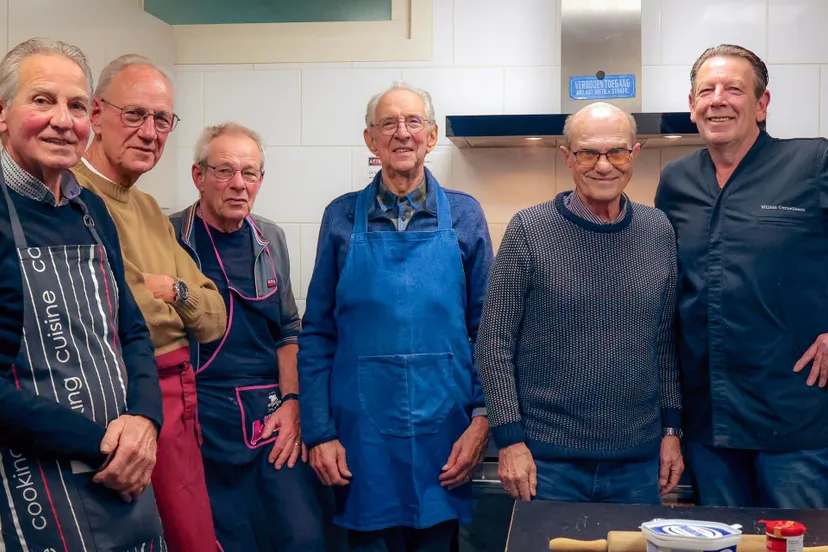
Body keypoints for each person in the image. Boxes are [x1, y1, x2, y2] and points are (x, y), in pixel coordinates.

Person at [298, 82, 493, 551]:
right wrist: (319, 431)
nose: (402, 133)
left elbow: (487, 329)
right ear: (371, 139)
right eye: (389, 123)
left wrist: (483, 419)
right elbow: (318, 333)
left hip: (445, 436)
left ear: (431, 136)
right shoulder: (341, 217)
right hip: (360, 441)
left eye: (413, 122)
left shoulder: (465, 215)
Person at [0, 37, 166, 549]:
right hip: (35, 482)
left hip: (125, 479)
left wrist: (145, 420)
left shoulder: (90, 212)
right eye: (41, 100)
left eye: (75, 105)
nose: (63, 120)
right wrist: (102, 445)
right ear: (2, 114)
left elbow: (132, 330)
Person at [476, 102, 683, 505]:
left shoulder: (659, 231)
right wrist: (510, 440)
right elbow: (493, 345)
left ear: (634, 155)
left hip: (638, 468)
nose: (603, 166)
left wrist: (671, 432)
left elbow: (665, 344)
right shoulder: (528, 230)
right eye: (588, 152)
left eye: (616, 152)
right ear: (567, 157)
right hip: (547, 466)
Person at [655, 44, 828, 509]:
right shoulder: (676, 182)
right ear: (692, 106)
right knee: (724, 543)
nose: (718, 99)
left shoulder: (812, 163)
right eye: (706, 90)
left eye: (734, 89)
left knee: (801, 542)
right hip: (708, 422)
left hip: (794, 416)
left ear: (762, 104)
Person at [70, 54, 226, 549]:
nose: (151, 132)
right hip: (125, 400)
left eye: (162, 120)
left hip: (178, 403)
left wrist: (176, 291)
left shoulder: (146, 207)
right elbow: (127, 309)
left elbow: (214, 316)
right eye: (134, 114)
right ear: (96, 114)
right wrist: (175, 300)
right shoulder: (70, 194)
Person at [170, 122, 337, 551]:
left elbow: (288, 331)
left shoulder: (271, 239)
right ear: (198, 176)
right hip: (199, 416)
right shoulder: (169, 236)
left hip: (268, 414)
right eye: (225, 171)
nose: (239, 185)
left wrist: (294, 403)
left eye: (250, 173)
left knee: (302, 535)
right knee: (215, 537)